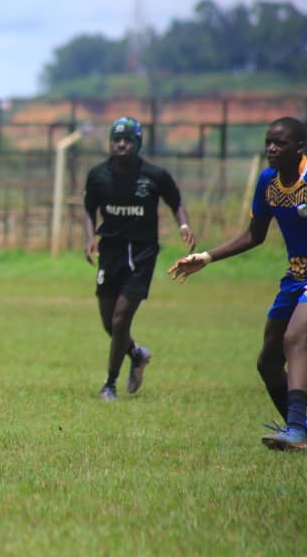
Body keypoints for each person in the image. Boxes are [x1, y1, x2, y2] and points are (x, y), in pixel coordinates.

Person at [169, 116, 307, 451]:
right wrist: (206, 258)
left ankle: (297, 429)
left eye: (279, 143)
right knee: (267, 361)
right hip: (295, 277)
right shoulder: (268, 182)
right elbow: (255, 234)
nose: (270, 148)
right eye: (268, 141)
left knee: (294, 338)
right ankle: (303, 431)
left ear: (299, 147)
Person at [83, 116, 196, 402]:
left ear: (138, 143)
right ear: (111, 141)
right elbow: (88, 210)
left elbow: (176, 202)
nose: (121, 144)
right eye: (117, 139)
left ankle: (109, 384)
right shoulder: (98, 175)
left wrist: (184, 225)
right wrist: (89, 239)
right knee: (109, 323)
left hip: (142, 253)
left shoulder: (154, 175)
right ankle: (137, 354)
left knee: (121, 320)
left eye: (128, 140)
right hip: (110, 251)